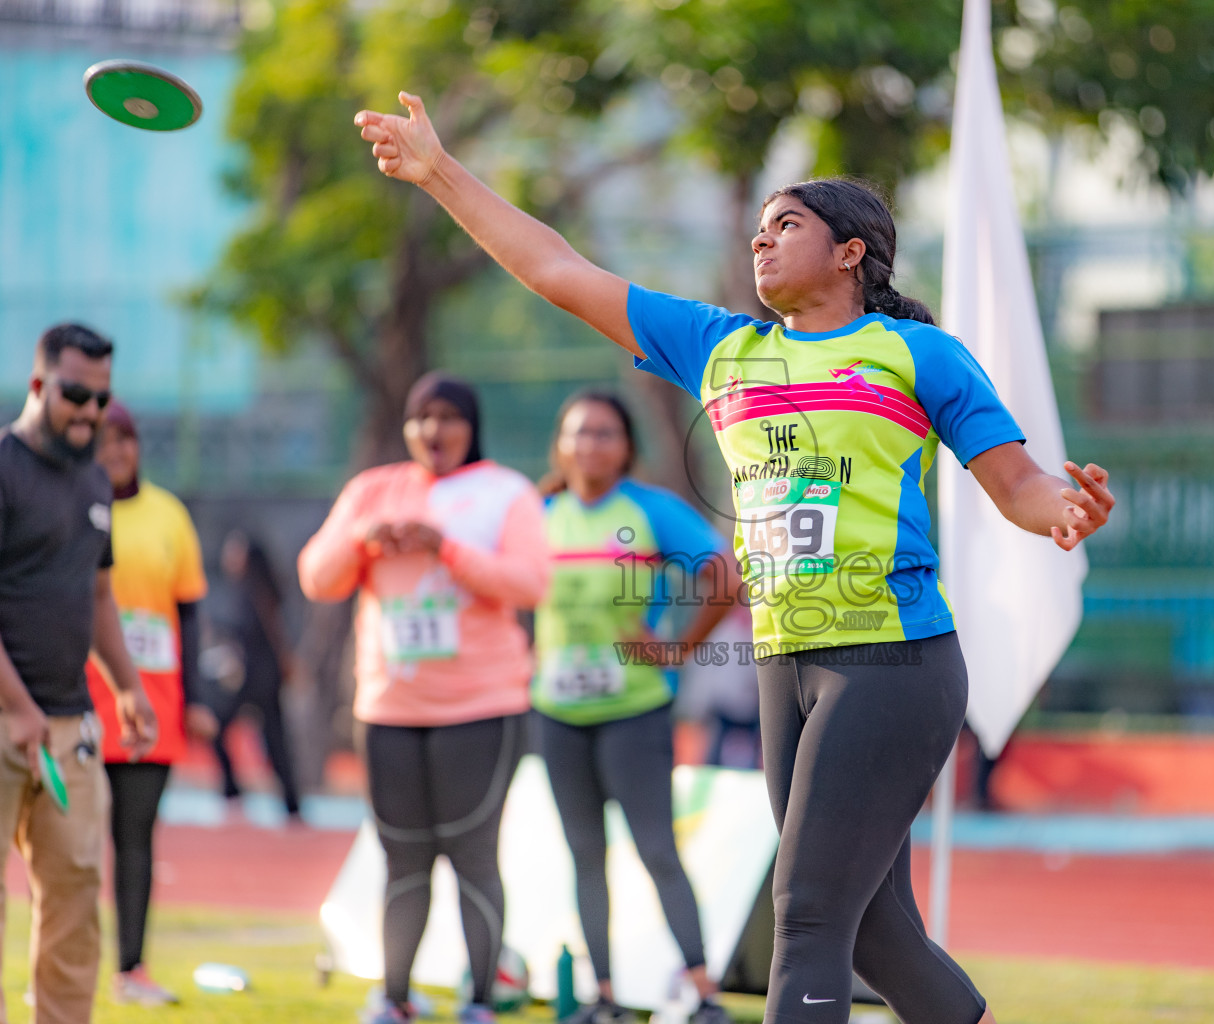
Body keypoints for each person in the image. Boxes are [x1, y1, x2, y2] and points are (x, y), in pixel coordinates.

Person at [354, 96, 1115, 1024]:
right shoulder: (723, 351)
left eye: (786, 224)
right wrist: (437, 172)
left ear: (850, 253)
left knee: (804, 917)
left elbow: (1019, 484)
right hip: (782, 666)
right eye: (756, 228)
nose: (762, 242)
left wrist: (1064, 512)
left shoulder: (916, 354)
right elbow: (557, 268)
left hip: (895, 660)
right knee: (875, 932)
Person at [298, 372, 551, 1024]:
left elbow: (529, 584)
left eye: (447, 418)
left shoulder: (505, 493)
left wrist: (446, 547)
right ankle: (394, 997)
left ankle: (479, 1002)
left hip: (480, 707)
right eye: (420, 418)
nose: (433, 431)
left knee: (473, 855)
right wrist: (364, 539)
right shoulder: (372, 490)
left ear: (471, 426)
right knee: (401, 857)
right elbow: (317, 578)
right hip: (388, 710)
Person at [535, 392, 736, 1024]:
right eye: (578, 433)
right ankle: (604, 996)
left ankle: (703, 993)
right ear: (560, 446)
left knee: (655, 850)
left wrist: (677, 650)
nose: (590, 444)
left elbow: (726, 577)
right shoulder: (537, 514)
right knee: (583, 854)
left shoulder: (649, 511)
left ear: (626, 448)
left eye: (604, 433)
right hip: (557, 713)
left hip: (634, 710)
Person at [0, 323, 158, 1024]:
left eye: (102, 399)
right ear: (38, 386)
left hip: (70, 725)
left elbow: (98, 595)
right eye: (75, 396)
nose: (91, 414)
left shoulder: (96, 478)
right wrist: (17, 705)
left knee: (74, 897)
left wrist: (126, 685)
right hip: (6, 719)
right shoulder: (3, 468)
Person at [85, 401, 211, 1006]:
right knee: (71, 851)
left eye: (125, 440)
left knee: (135, 842)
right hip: (78, 705)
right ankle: (68, 971)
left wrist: (198, 699)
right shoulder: (70, 508)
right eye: (103, 441)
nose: (114, 452)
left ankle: (132, 969)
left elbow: (190, 615)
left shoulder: (169, 516)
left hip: (149, 709)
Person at [208, 528, 303, 821]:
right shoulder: (264, 591)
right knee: (275, 739)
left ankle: (235, 790)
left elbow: (247, 631)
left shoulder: (252, 592)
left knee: (218, 726)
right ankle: (289, 801)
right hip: (265, 675)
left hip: (254, 677)